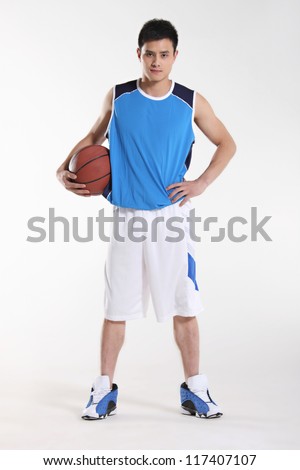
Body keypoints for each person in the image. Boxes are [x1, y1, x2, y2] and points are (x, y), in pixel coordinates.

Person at [56, 19, 236, 420]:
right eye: (149, 53)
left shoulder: (190, 101)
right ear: (138, 54)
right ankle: (103, 389)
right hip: (126, 216)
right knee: (115, 307)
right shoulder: (119, 97)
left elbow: (227, 142)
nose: (156, 61)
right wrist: (61, 168)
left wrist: (202, 182)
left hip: (171, 218)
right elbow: (92, 139)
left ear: (175, 56)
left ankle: (196, 388)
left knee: (185, 306)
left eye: (164, 54)